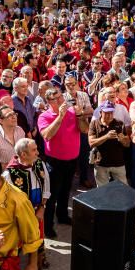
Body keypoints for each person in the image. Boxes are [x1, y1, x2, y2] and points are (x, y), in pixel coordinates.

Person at [3, 137, 52, 270]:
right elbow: (6, 200)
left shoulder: (39, 164)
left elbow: (46, 186)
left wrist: (42, 207)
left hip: (38, 210)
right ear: (23, 154)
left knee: (38, 237)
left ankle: (40, 263)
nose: (38, 152)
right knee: (16, 242)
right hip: (19, 215)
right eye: (34, 150)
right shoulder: (9, 174)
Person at [38, 87, 80, 235]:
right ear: (49, 101)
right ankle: (48, 227)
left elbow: (84, 129)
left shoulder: (72, 111)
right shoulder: (44, 116)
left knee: (65, 191)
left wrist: (80, 114)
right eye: (57, 98)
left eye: (61, 96)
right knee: (52, 195)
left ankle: (62, 216)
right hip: (55, 162)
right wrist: (60, 116)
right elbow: (47, 135)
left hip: (72, 159)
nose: (62, 100)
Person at [88, 100, 130, 187]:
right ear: (100, 112)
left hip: (118, 163)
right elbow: (91, 143)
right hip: (101, 164)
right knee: (103, 191)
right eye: (106, 112)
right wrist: (106, 137)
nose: (109, 115)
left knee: (122, 189)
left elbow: (127, 144)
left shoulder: (119, 123)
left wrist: (123, 140)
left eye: (111, 112)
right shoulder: (94, 124)